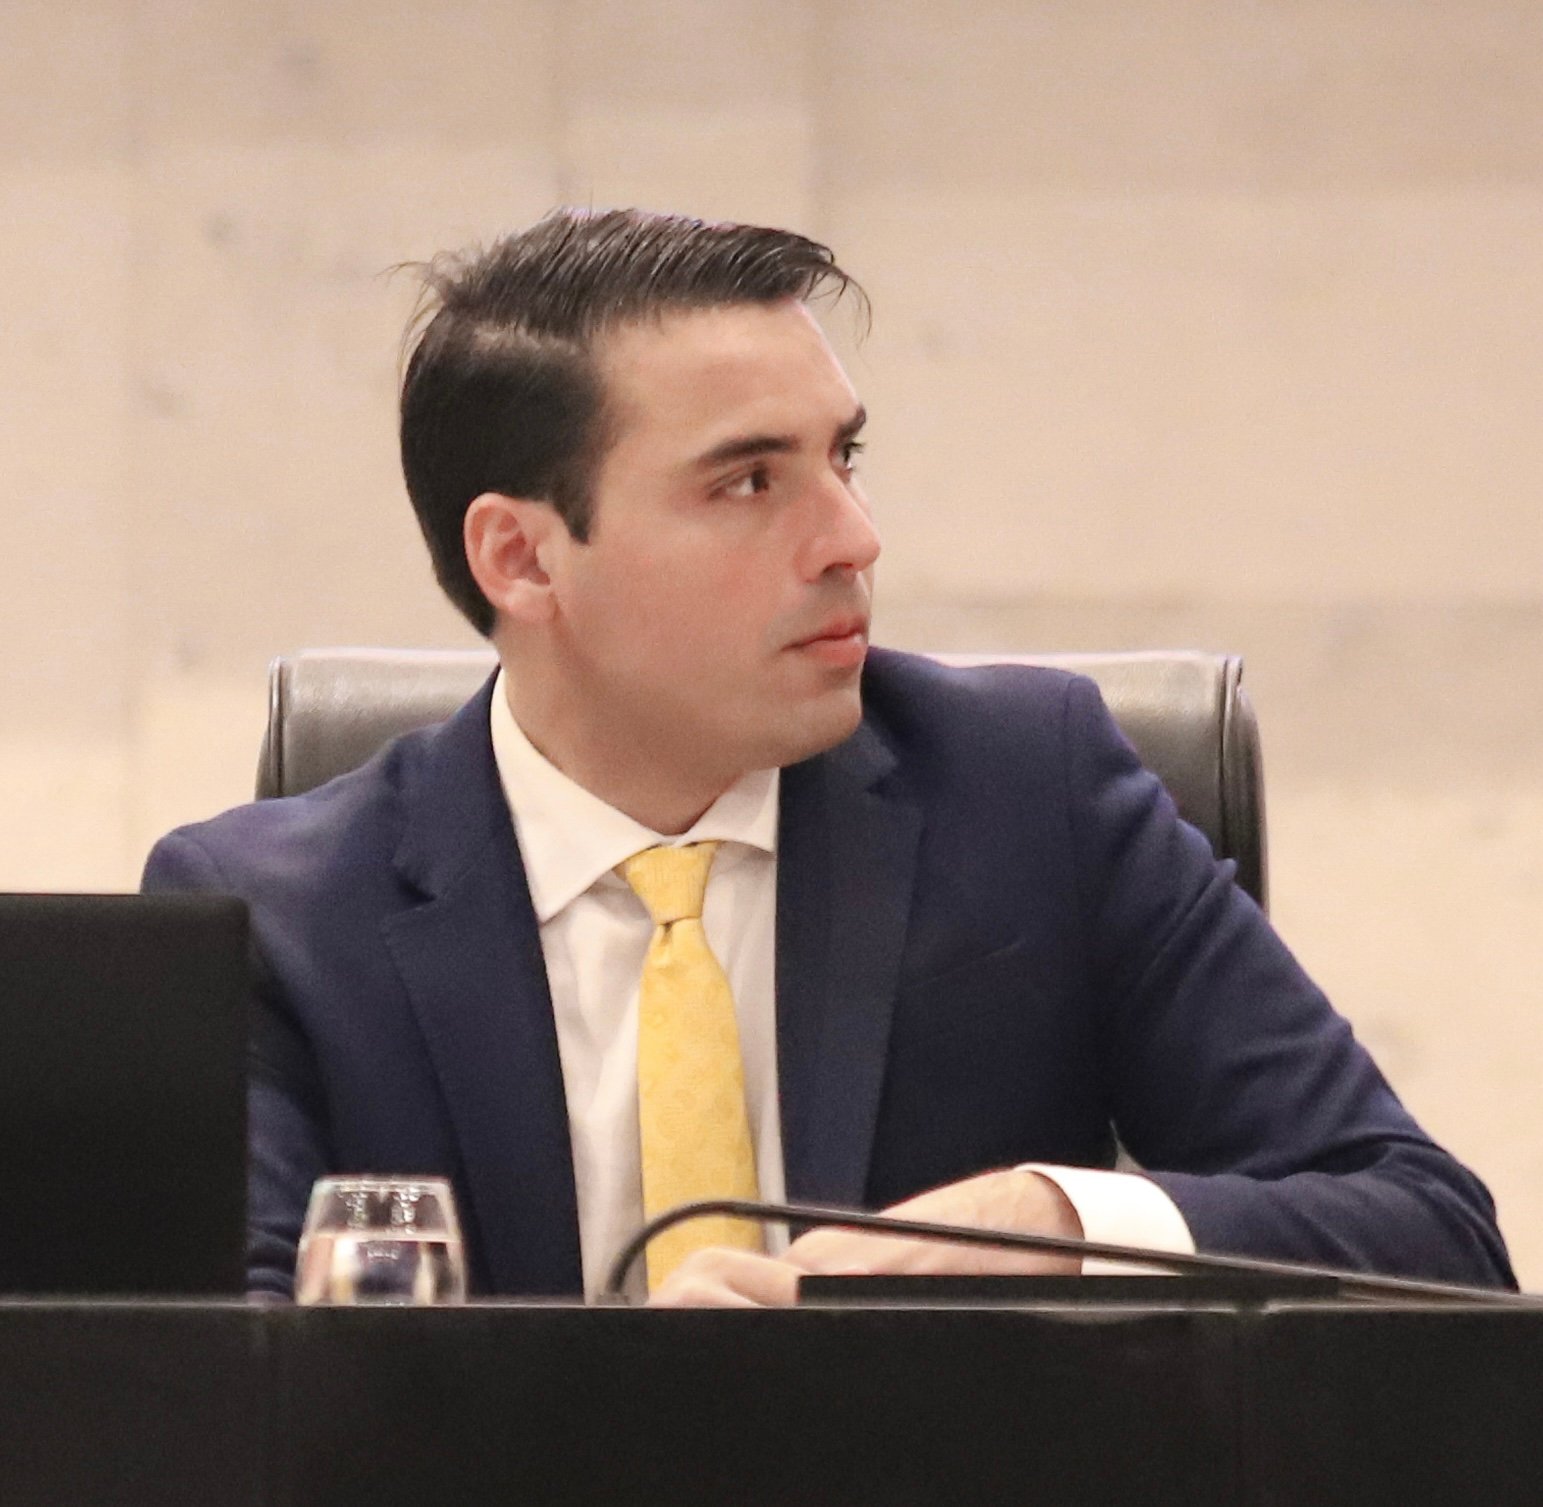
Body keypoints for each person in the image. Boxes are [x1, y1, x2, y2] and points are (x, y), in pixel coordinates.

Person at [143, 207, 1512, 1304]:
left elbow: (1431, 1235)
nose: (853, 539)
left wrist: (1050, 1222)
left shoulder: (1032, 796)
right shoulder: (280, 920)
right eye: (750, 480)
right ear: (524, 557)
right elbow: (214, 1395)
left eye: (845, 458)